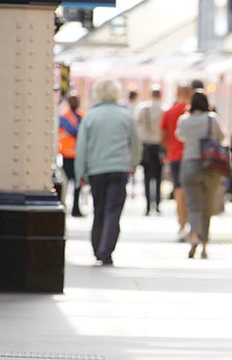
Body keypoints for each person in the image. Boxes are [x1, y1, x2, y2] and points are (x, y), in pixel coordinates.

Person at [74, 79, 141, 266]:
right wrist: (133, 163)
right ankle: (106, 251)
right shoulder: (125, 116)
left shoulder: (90, 116)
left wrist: (80, 172)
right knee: (113, 211)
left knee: (99, 210)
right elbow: (136, 143)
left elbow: (81, 147)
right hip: (119, 169)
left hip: (96, 170)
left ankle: (97, 249)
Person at [176, 91, 225, 259]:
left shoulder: (184, 120)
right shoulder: (212, 119)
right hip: (210, 166)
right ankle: (204, 246)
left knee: (193, 205)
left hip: (189, 165)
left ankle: (194, 236)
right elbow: (222, 137)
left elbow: (179, 136)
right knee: (207, 206)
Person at [162, 85, 192, 241]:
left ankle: (181, 225)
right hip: (192, 158)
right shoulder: (191, 112)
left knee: (179, 192)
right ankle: (193, 227)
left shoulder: (169, 112)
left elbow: (163, 136)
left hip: (174, 157)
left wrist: (169, 150)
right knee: (191, 193)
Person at [135, 87, 165, 216]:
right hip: (158, 146)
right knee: (158, 177)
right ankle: (157, 204)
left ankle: (148, 205)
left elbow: (137, 123)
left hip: (146, 145)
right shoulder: (163, 109)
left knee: (147, 176)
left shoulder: (143, 108)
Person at [60, 94, 86, 217]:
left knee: (78, 184)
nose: (75, 102)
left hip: (79, 156)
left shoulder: (82, 115)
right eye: (72, 100)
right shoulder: (64, 116)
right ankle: (64, 205)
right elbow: (73, 130)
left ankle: (76, 208)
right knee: (67, 183)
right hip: (67, 156)